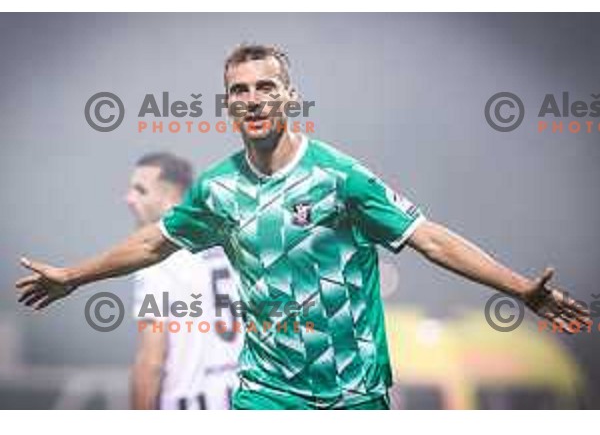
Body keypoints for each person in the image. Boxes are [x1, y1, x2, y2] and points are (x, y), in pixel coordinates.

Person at [16, 44, 591, 410]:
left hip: (353, 396)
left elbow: (431, 238)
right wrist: (73, 275)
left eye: (266, 86)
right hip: (266, 395)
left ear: (289, 95)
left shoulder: (340, 178)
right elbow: (151, 242)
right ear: (228, 104)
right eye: (240, 90)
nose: (253, 98)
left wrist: (520, 290)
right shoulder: (219, 188)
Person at [127, 152, 240, 409]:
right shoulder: (232, 245)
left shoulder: (155, 260)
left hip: (191, 404)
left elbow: (152, 360)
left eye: (140, 190)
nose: (129, 198)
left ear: (170, 198)